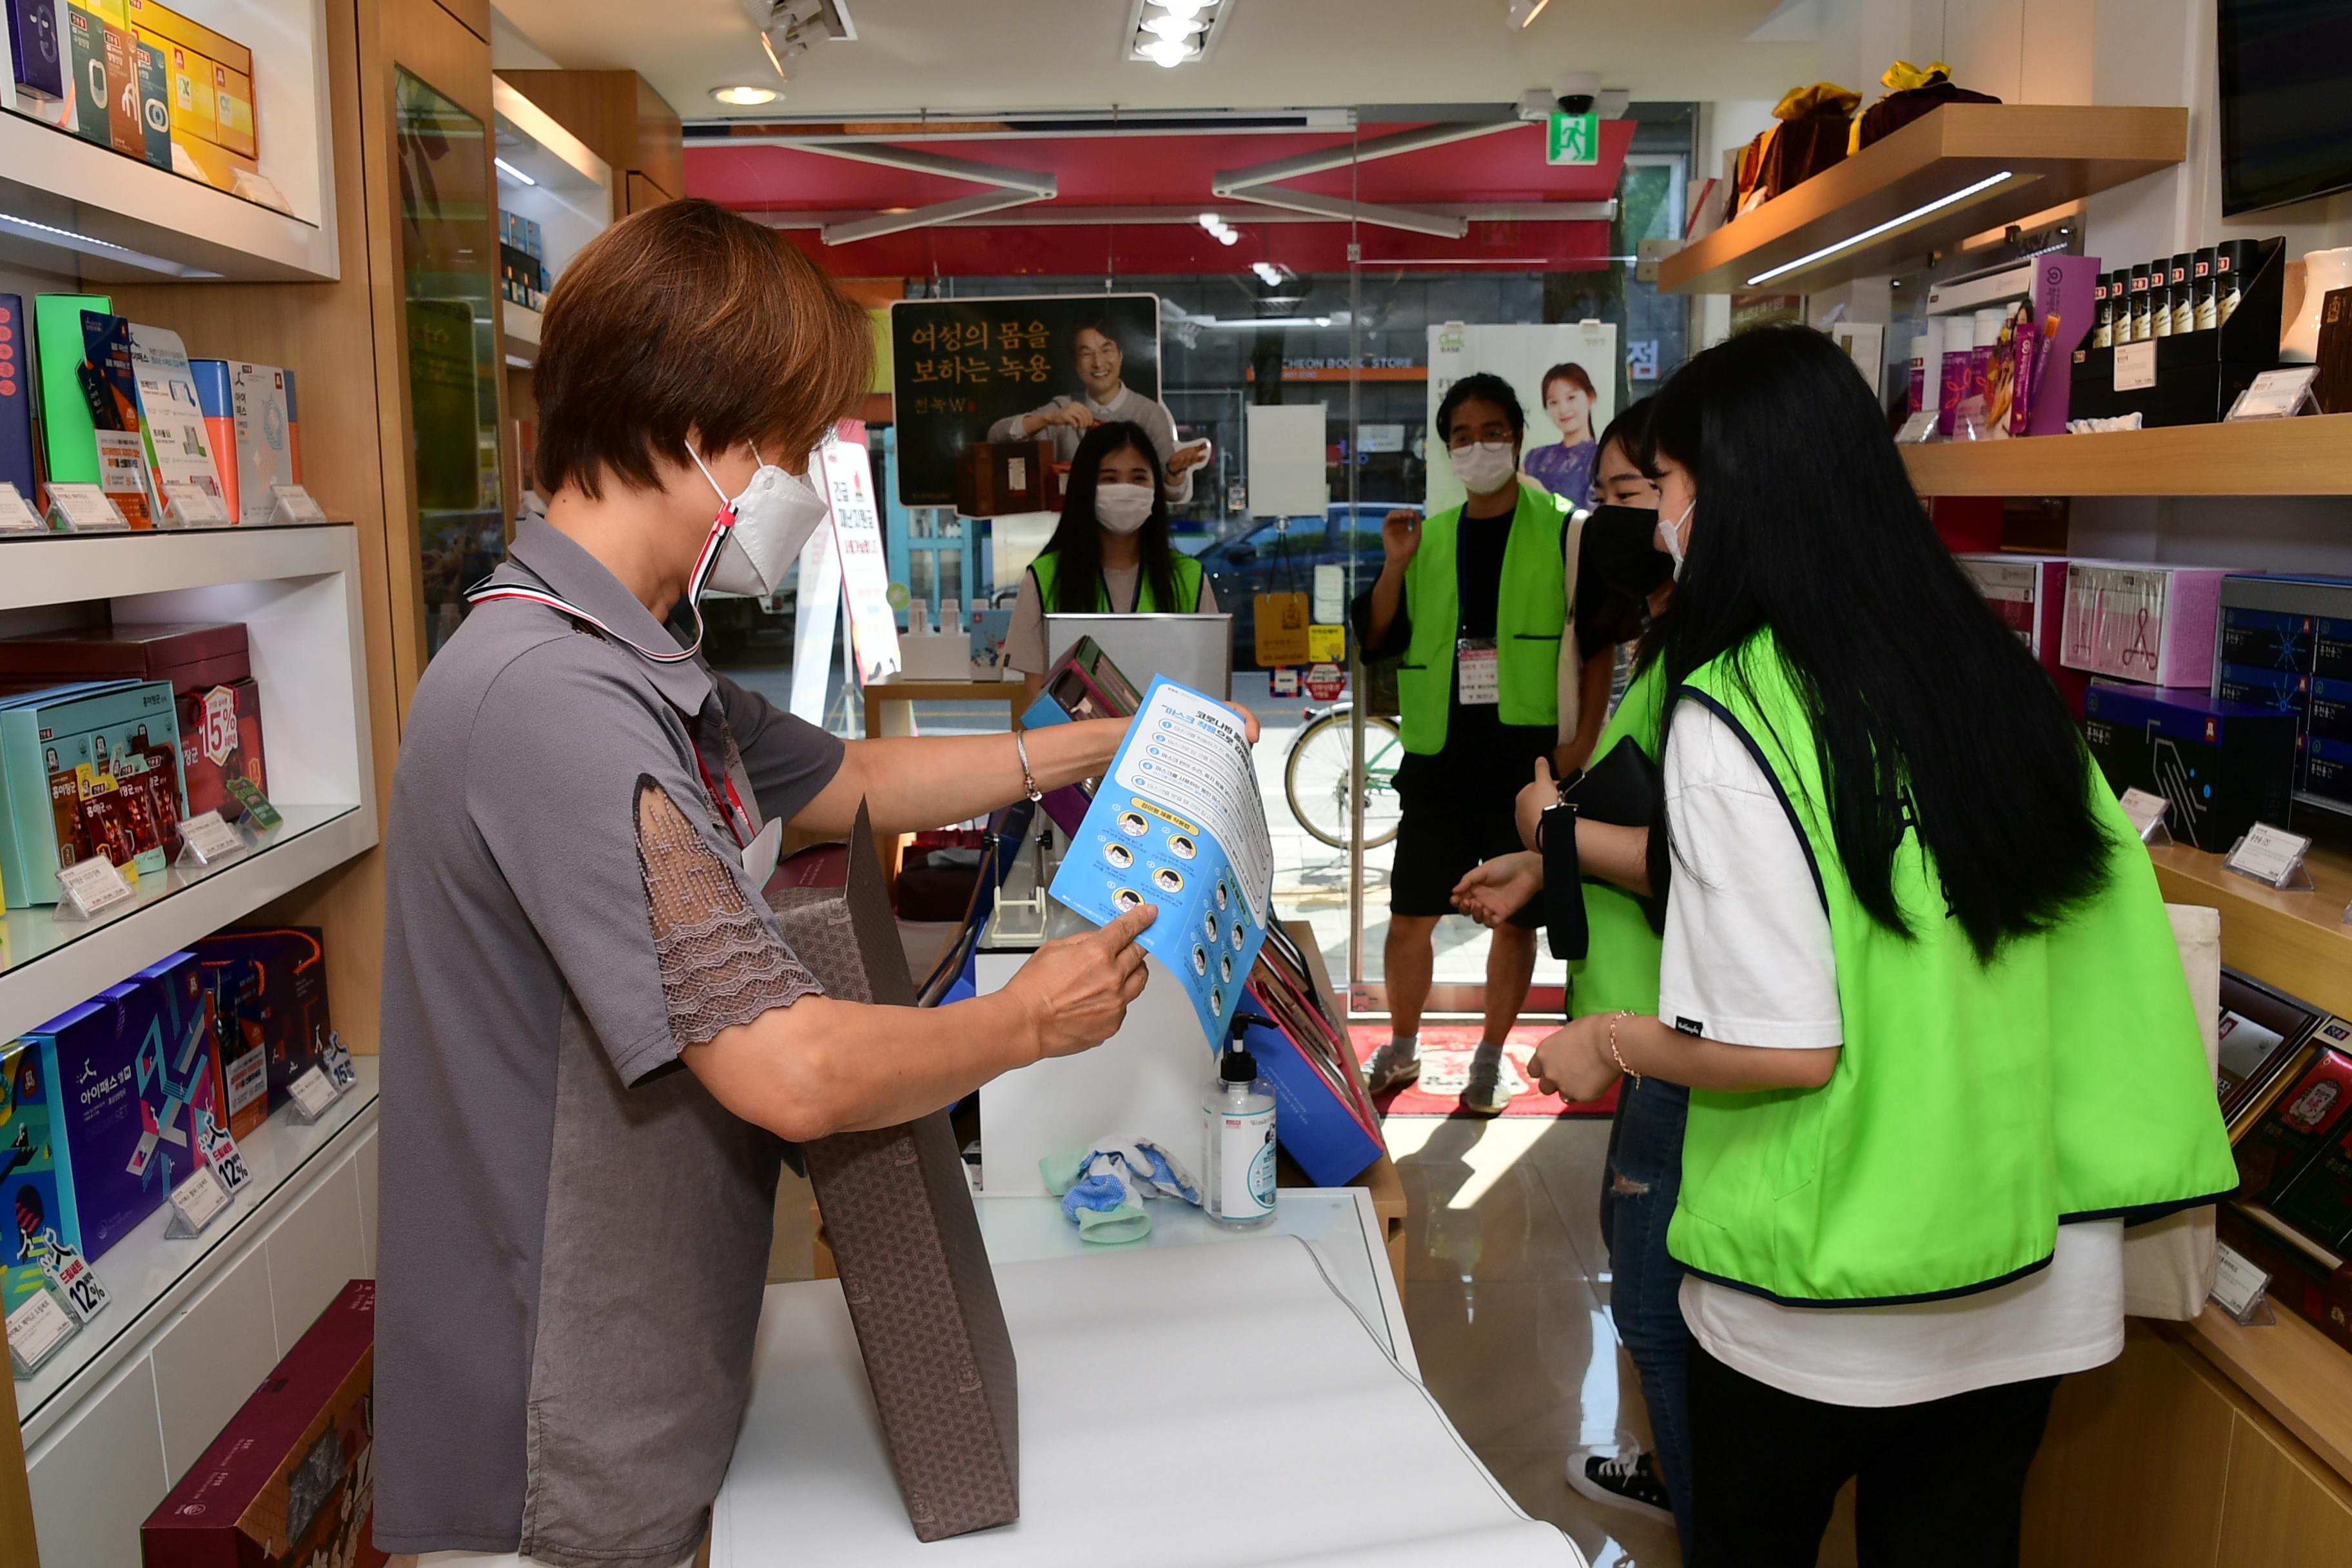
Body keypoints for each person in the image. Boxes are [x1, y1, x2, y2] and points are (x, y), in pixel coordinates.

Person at [371, 201, 1258, 1568]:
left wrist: (1112, 740)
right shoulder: (548, 699)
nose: (798, 476)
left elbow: (847, 779)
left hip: (656, 1351)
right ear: (685, 433)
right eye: (784, 445)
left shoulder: (633, 663)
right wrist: (1028, 1020)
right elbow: (786, 1068)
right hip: (561, 1434)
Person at [1517, 326, 2235, 1567]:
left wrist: (1605, 1039)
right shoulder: (1991, 674)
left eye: (1673, 487)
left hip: (1830, 1285)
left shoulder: (1737, 705)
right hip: (2029, 1269)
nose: (1663, 520)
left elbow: (1782, 1045)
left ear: (1738, 496)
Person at [1460, 396, 1695, 1541]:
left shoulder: (1715, 657)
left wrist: (1550, 831)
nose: (1609, 523)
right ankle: (1670, 1472)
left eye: (1633, 498)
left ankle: (1698, 1498)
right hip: (1651, 1023)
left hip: (1681, 1034)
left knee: (1651, 1294)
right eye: (1599, 499)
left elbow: (1695, 860)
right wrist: (1533, 855)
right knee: (1643, 1276)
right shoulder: (1658, 640)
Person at [1354, 372, 1582, 1116]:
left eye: (1490, 431)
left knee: (1515, 918)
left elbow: (1594, 640)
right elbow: (1380, 635)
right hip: (1441, 753)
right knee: (1411, 911)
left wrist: (1575, 752)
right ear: (1445, 446)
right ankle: (1402, 1040)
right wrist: (1394, 560)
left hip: (1524, 754)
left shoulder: (1560, 525)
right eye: (1460, 435)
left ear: (1517, 435)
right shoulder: (1433, 535)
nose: (1476, 446)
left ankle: (1490, 1054)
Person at [1005, 421, 1219, 697]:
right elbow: (1036, 695)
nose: (1125, 490)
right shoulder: (1044, 578)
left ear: (1155, 487)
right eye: (1109, 478)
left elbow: (1208, 687)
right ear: (1084, 487)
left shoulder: (1189, 578)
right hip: (1074, 741)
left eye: (1139, 478)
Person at [989, 318, 1208, 505]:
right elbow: (996, 436)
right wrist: (1047, 419)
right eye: (1087, 354)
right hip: (1074, 534)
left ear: (1120, 356)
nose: (1098, 362)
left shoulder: (1149, 413)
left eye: (1106, 350)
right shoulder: (1062, 409)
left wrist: (1175, 472)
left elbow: (1172, 494)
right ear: (1076, 364)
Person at [1522, 361, 1600, 505]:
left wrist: (1541, 494)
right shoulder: (1535, 457)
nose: (1563, 410)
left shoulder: (1601, 459)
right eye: (1553, 403)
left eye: (1571, 398)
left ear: (1591, 398)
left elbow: (1592, 521)